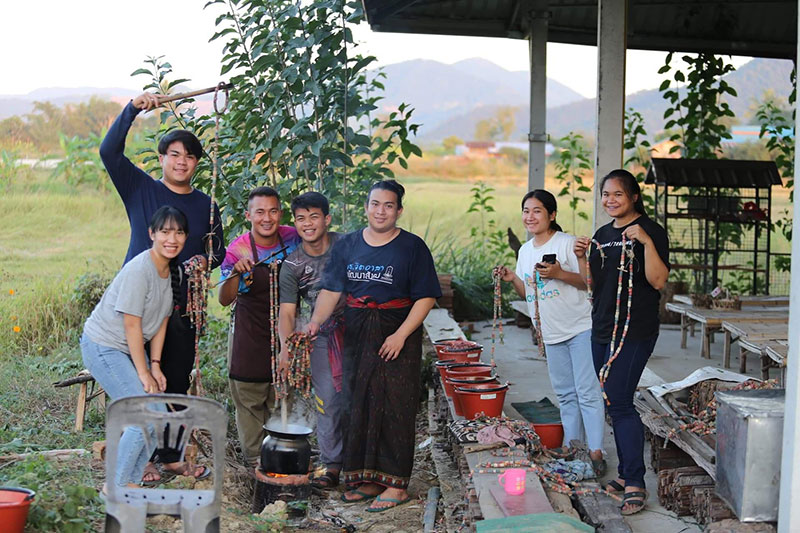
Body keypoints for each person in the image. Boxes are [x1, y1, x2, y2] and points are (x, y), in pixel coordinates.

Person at [100, 92, 224, 483]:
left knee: (175, 379)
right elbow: (108, 152)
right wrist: (132, 110)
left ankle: (170, 456)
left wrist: (204, 261)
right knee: (139, 382)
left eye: (189, 156)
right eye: (174, 154)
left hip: (183, 308)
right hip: (139, 305)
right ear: (162, 158)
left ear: (197, 163)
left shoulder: (207, 205)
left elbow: (218, 250)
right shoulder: (141, 189)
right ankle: (141, 459)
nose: (181, 161)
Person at [308, 180, 441, 512]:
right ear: (366, 207)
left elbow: (426, 297)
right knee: (359, 402)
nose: (381, 211)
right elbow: (332, 290)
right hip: (356, 331)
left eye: (388, 205)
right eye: (375, 204)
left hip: (396, 331)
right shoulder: (348, 245)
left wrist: (401, 335)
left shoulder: (412, 247)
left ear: (399, 210)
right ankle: (367, 478)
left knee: (396, 405)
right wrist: (315, 322)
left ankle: (396, 484)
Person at [575, 169, 670, 515]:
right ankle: (627, 470)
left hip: (634, 330)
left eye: (618, 194)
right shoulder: (603, 234)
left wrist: (645, 242)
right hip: (602, 328)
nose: (610, 200)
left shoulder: (651, 230)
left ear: (633, 197)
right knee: (611, 401)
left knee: (620, 400)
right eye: (606, 194)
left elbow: (658, 281)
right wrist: (582, 257)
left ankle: (635, 482)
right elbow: (593, 285)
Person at [496, 189, 606, 472]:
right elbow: (528, 292)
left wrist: (559, 274)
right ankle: (572, 445)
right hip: (551, 333)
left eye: (537, 211)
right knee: (566, 394)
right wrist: (512, 278)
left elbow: (589, 283)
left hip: (580, 328)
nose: (530, 217)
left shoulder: (568, 244)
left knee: (588, 392)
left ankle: (595, 452)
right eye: (526, 211)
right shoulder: (525, 250)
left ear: (552, 215)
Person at [81, 206, 186, 489]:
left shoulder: (173, 271)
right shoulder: (140, 270)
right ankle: (116, 487)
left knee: (157, 414)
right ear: (152, 234)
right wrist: (143, 373)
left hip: (128, 349)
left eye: (178, 233)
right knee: (143, 416)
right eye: (165, 232)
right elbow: (131, 326)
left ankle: (131, 481)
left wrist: (156, 365)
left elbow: (162, 321)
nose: (172, 239)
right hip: (103, 345)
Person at [219, 186, 301, 468]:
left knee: (283, 397)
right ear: (248, 215)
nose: (267, 218)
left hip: (287, 332)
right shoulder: (237, 249)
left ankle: (284, 460)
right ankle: (255, 463)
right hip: (250, 334)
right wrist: (235, 273)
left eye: (273, 211)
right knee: (249, 398)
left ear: (281, 213)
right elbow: (224, 299)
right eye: (260, 212)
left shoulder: (294, 238)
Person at [277, 192, 345, 489]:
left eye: (314, 217)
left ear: (327, 219)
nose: (308, 224)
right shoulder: (292, 265)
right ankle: (332, 465)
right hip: (321, 336)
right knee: (327, 400)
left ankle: (363, 464)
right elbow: (287, 312)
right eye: (301, 218)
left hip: (359, 330)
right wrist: (285, 349)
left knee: (360, 396)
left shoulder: (346, 246)